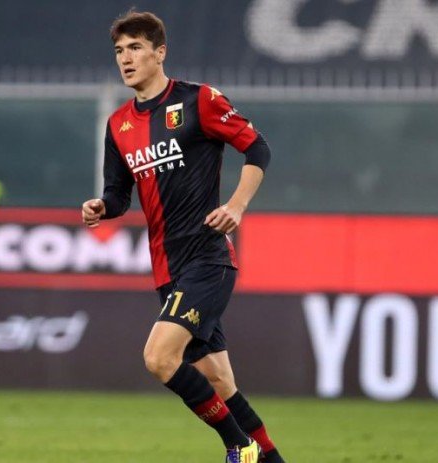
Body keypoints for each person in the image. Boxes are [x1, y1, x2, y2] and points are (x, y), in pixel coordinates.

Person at [81, 11, 285, 463]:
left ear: (160, 53)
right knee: (219, 382)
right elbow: (118, 195)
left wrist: (236, 206)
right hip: (167, 270)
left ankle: (240, 446)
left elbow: (257, 147)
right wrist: (102, 207)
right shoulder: (118, 125)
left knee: (159, 358)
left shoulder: (199, 101)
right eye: (119, 51)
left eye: (136, 48)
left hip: (208, 261)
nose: (126, 58)